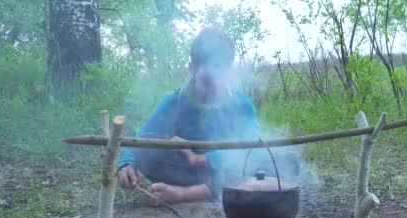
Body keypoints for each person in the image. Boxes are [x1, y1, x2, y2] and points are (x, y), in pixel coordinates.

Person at [117, 28, 298, 204]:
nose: (214, 86)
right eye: (207, 79)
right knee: (149, 148)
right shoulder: (173, 101)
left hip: (225, 175)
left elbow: (251, 150)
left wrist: (202, 159)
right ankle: (197, 190)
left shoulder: (241, 105)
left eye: (220, 76)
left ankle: (184, 194)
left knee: (281, 161)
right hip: (181, 172)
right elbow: (141, 140)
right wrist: (126, 164)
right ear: (192, 69)